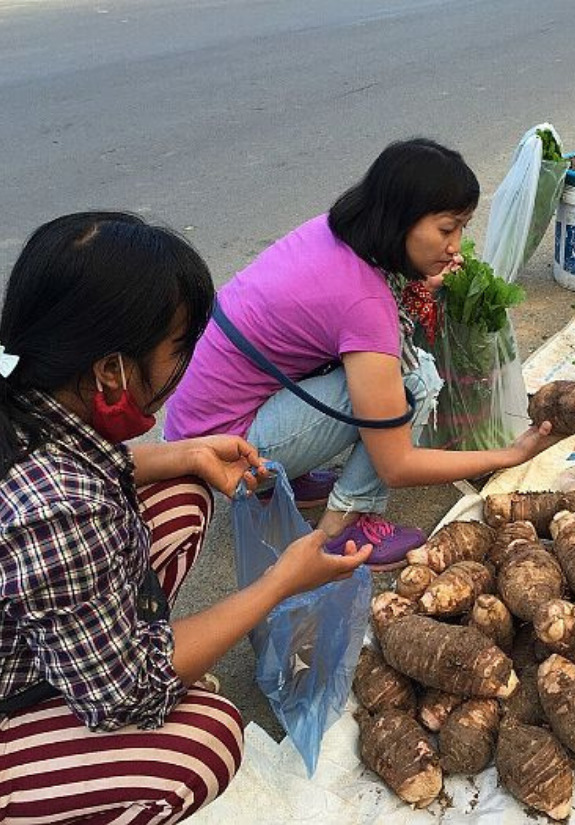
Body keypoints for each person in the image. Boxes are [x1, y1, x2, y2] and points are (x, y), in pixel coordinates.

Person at [0, 212, 372, 824]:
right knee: (205, 741)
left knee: (182, 492)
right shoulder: (57, 511)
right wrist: (280, 582)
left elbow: (78, 457)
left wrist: (189, 452)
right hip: (19, 694)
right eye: (178, 349)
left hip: (35, 635)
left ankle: (119, 658)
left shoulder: (25, 389)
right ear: (110, 370)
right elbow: (127, 699)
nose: (184, 368)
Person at [164, 138, 562, 570]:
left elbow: (337, 317)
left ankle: (285, 481)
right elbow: (396, 464)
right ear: (400, 220)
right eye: (447, 228)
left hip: (196, 430)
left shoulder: (334, 233)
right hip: (222, 455)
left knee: (368, 370)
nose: (455, 245)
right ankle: (343, 526)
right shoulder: (365, 304)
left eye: (462, 228)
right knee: (416, 381)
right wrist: (510, 455)